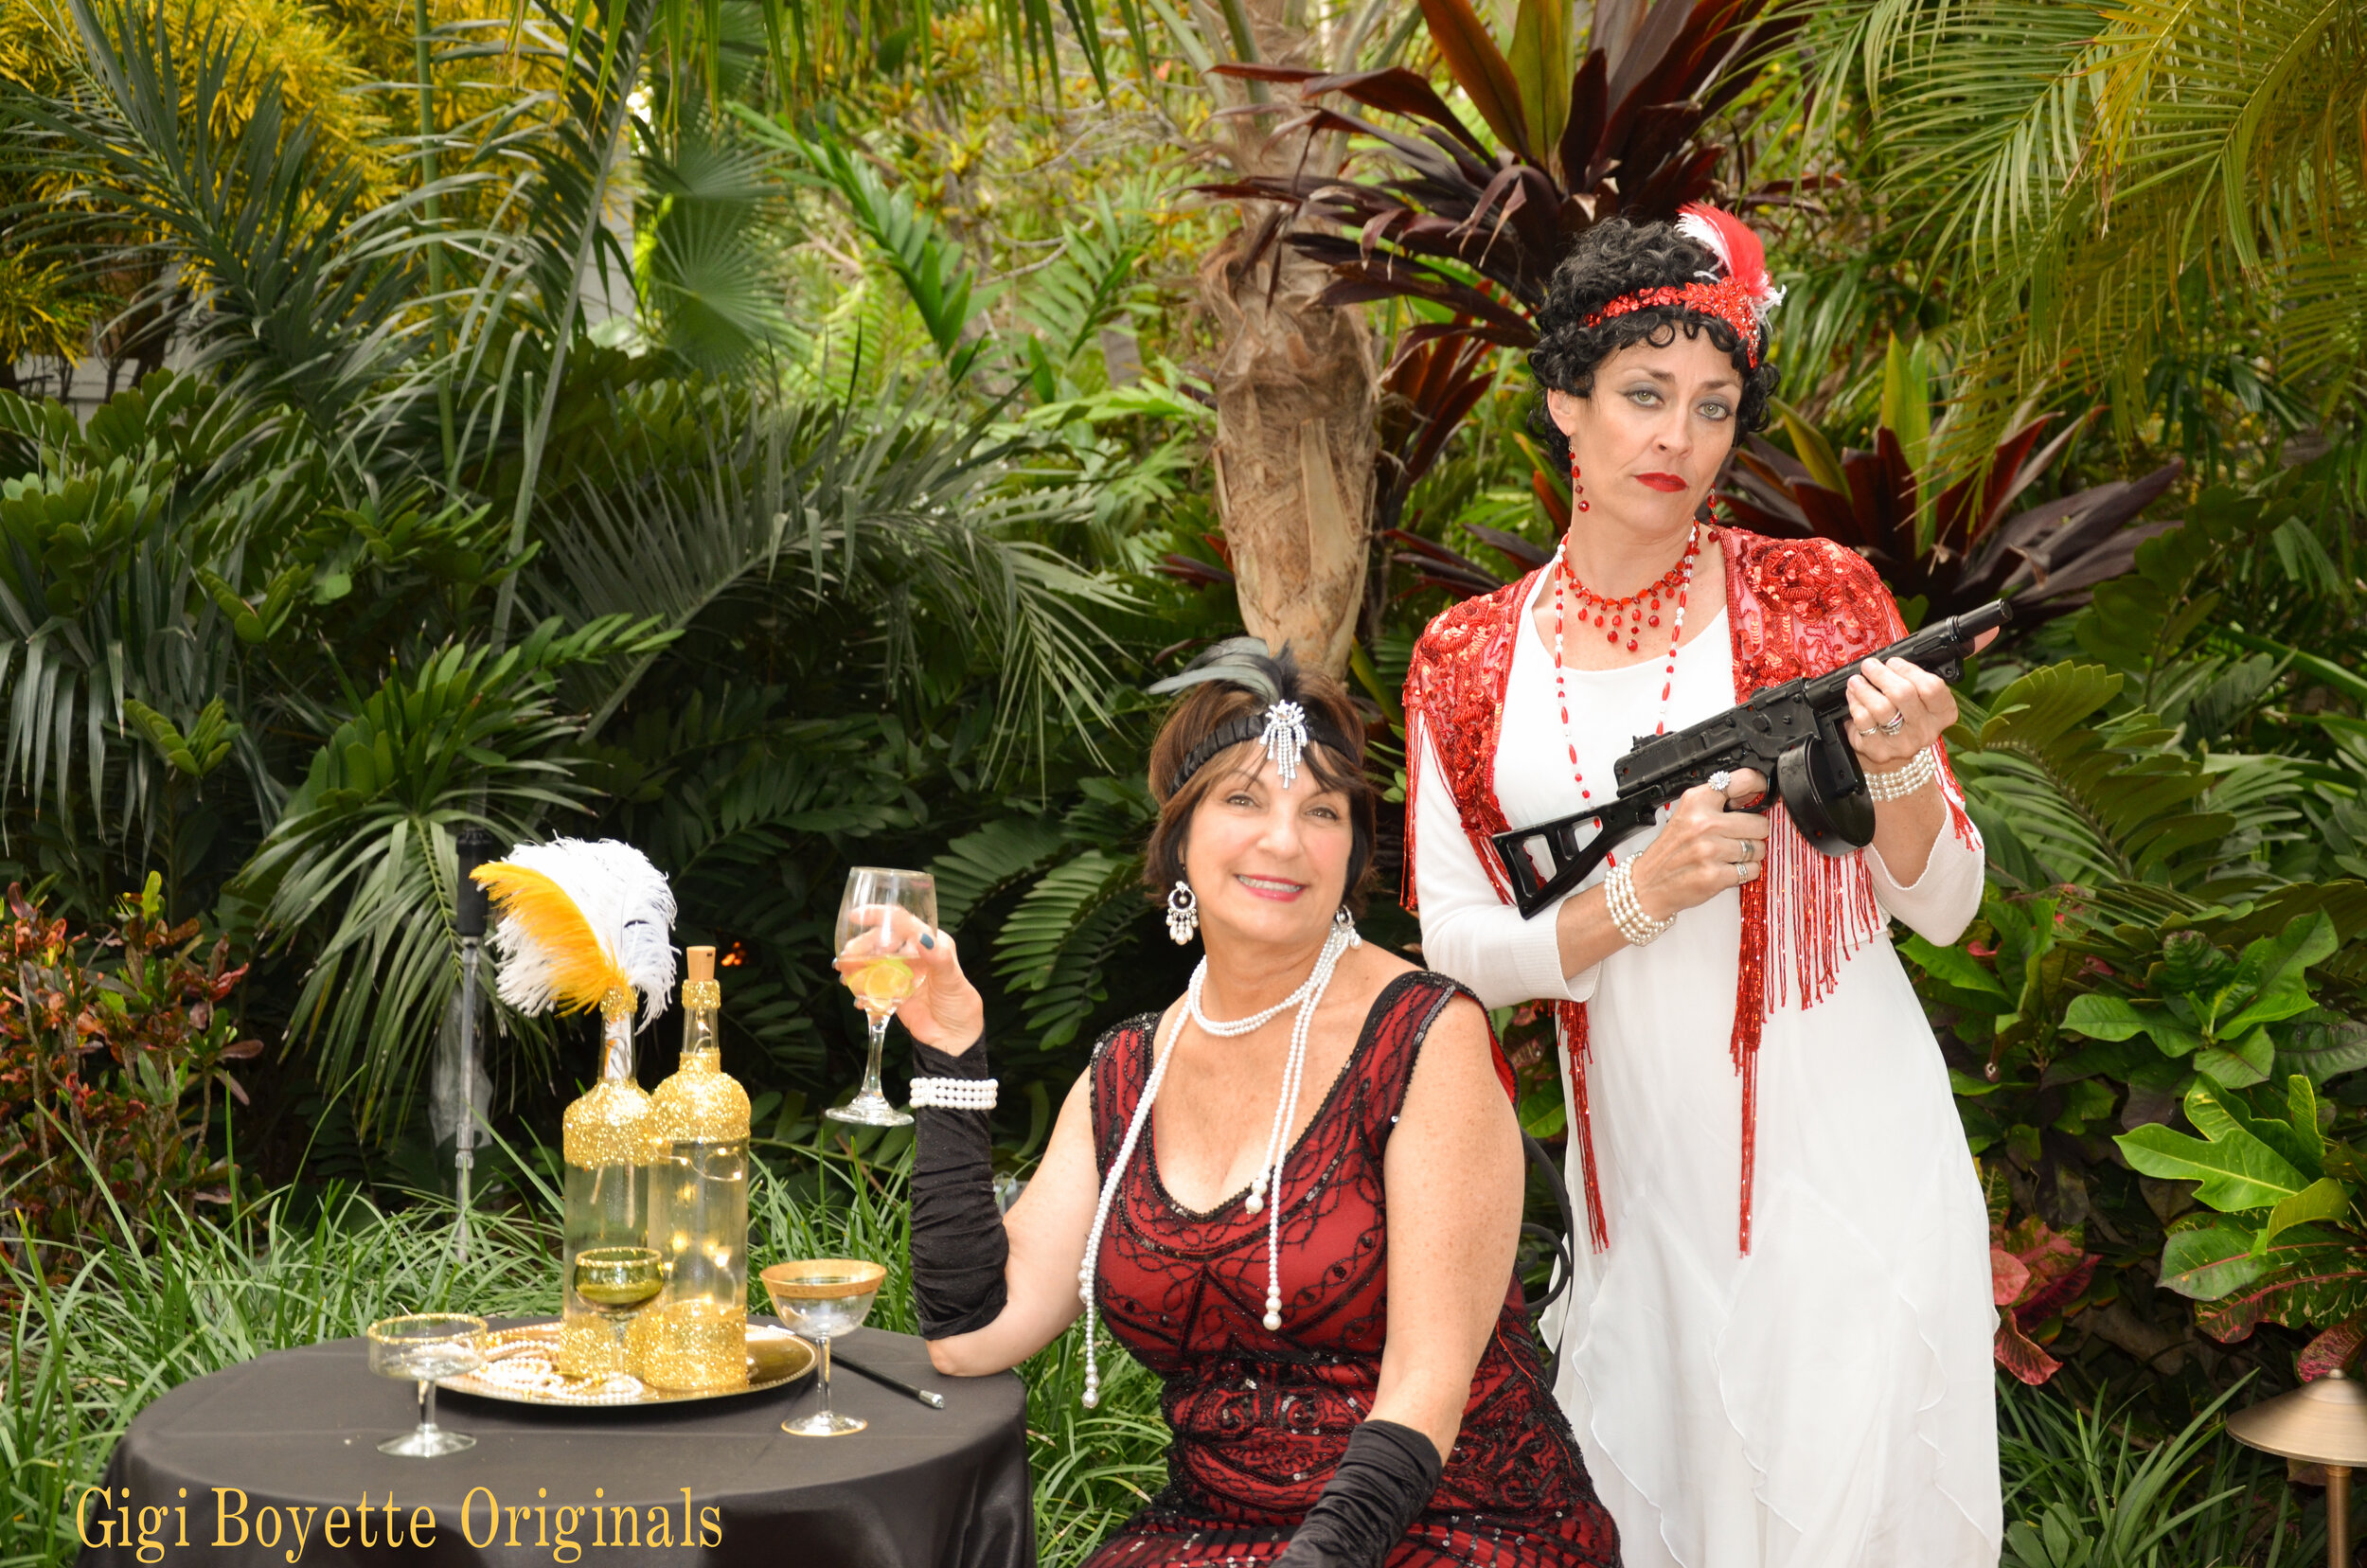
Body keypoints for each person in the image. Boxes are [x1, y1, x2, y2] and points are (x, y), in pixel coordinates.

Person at [1403, 206, 2002, 1568]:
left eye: (1714, 406)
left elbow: (1948, 906)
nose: (1676, 436)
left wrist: (1901, 766)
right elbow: (1456, 944)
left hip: (1853, 1163)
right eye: (1643, 394)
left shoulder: (1817, 594)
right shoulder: (1466, 657)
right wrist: (1636, 898)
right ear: (1566, 401)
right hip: (1641, 1189)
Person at [882, 643, 1621, 1567]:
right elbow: (972, 1333)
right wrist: (952, 1052)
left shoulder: (1425, 1037)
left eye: (1321, 810)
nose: (1283, 840)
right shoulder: (1130, 1073)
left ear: (1351, 851)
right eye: (1243, 800)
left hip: (1452, 1525)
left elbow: (1426, 1390)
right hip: (1213, 1531)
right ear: (1179, 839)